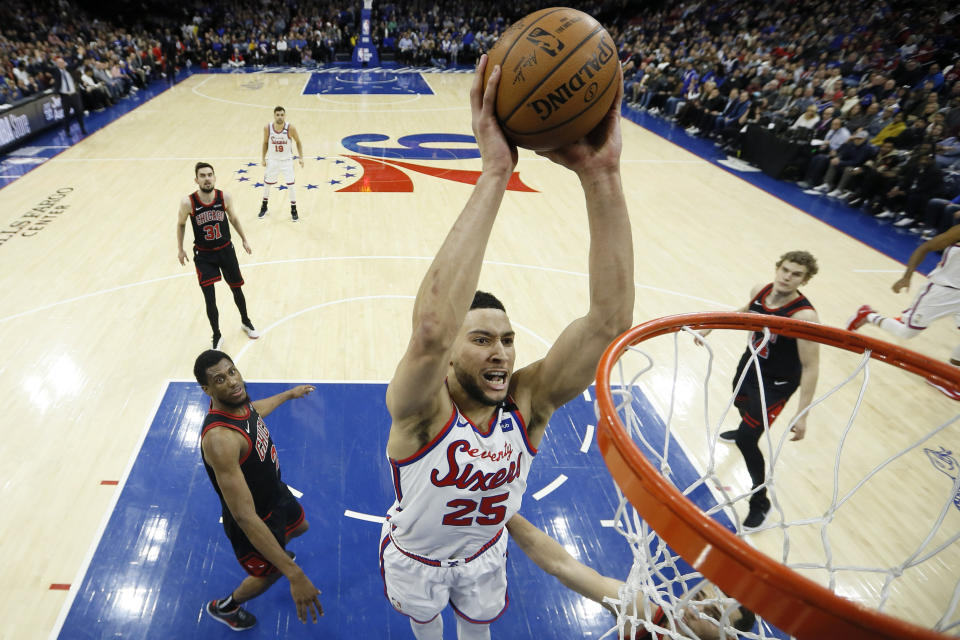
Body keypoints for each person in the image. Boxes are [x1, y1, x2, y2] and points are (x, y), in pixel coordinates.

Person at [379, 54, 634, 640]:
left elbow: (609, 320)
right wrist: (495, 171)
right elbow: (429, 333)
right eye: (481, 339)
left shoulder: (529, 404)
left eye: (508, 340)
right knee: (426, 628)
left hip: (486, 551)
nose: (501, 352)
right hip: (415, 557)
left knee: (478, 631)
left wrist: (603, 175)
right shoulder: (421, 413)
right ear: (450, 356)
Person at [194, 349, 323, 630]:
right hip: (256, 518)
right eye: (219, 379)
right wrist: (294, 574)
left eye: (232, 371)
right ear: (207, 390)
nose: (231, 381)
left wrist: (290, 394)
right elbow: (246, 518)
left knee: (301, 527)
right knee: (273, 573)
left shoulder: (239, 405)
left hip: (275, 494)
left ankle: (276, 555)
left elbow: (255, 412)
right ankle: (226, 607)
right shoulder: (220, 440)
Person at [697, 251, 821, 531]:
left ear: (805, 280)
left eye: (796, 274)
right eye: (785, 270)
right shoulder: (760, 290)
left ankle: (760, 501)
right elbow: (745, 312)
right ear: (777, 268)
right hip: (751, 364)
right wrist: (711, 327)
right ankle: (747, 425)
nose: (788, 277)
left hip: (777, 384)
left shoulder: (804, 315)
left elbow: (811, 366)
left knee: (746, 440)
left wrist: (803, 415)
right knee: (738, 403)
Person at [505, 514, 756, 639]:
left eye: (710, 614)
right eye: (697, 598)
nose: (692, 610)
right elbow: (563, 565)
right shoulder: (643, 615)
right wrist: (505, 512)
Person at [847, 223, 960, 381]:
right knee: (906, 333)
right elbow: (925, 247)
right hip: (941, 292)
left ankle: (950, 376)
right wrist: (907, 276)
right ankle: (868, 316)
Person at [177, 162, 260, 349]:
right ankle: (216, 335)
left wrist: (244, 239)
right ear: (196, 179)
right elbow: (181, 224)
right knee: (210, 298)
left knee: (236, 289)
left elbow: (234, 218)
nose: (207, 179)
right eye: (203, 175)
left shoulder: (224, 197)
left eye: (209, 175)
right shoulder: (188, 202)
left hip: (225, 250)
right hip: (204, 255)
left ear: (214, 177)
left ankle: (246, 321)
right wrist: (180, 249)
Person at [259, 106, 305, 221]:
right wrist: (263, 158)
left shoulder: (290, 128)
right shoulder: (267, 128)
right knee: (267, 184)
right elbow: (265, 143)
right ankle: (264, 206)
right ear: (274, 115)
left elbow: (298, 142)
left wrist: (301, 157)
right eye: (277, 115)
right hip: (273, 160)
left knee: (291, 185)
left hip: (286, 161)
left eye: (282, 115)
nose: (280, 117)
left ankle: (293, 209)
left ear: (285, 115)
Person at [53, 56, 86, 135]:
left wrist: (80, 55)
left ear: (64, 63)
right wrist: (56, 93)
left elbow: (78, 63)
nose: (61, 64)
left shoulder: (70, 69)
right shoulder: (57, 73)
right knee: (66, 115)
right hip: (65, 97)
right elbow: (56, 84)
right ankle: (67, 131)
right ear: (57, 65)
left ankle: (82, 128)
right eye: (59, 63)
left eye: (62, 62)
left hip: (74, 94)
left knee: (79, 112)